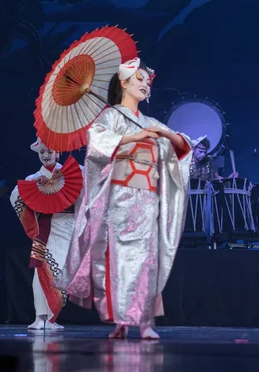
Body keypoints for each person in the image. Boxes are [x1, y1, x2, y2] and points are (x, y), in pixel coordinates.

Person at [56, 57, 192, 340]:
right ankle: (121, 320)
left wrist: (167, 134)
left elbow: (180, 150)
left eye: (147, 81)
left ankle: (144, 323)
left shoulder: (152, 121)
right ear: (124, 82)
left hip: (148, 197)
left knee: (147, 259)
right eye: (139, 79)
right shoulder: (111, 116)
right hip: (120, 196)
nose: (146, 84)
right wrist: (135, 137)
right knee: (118, 259)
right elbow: (97, 144)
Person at [10, 138, 80, 330]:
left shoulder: (72, 173)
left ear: (58, 153)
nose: (46, 155)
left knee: (61, 273)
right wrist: (37, 188)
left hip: (68, 226)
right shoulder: (34, 178)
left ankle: (51, 319)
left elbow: (89, 188)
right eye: (42, 153)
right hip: (45, 228)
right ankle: (40, 317)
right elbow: (17, 194)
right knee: (40, 270)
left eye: (49, 151)